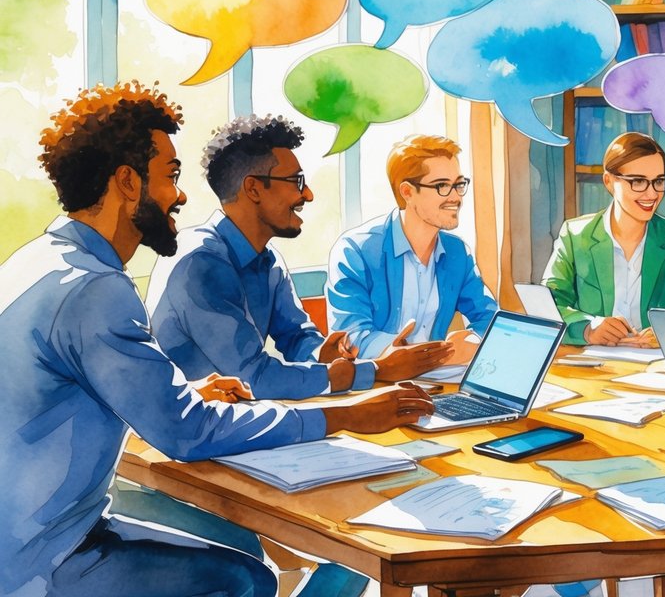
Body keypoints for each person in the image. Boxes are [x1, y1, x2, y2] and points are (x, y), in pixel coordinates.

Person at [0, 81, 434, 597]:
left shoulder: (42, 260)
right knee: (245, 580)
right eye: (171, 176)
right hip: (43, 560)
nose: (181, 195)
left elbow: (90, 391)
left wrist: (190, 393)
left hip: (45, 533)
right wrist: (347, 415)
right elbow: (188, 431)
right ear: (127, 182)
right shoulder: (98, 288)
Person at [147, 115, 456, 401]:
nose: (307, 194)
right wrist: (377, 370)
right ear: (253, 189)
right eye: (296, 181)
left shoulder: (268, 261)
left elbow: (296, 337)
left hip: (234, 416)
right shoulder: (201, 263)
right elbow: (254, 378)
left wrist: (324, 353)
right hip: (185, 431)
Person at [326, 134, 498, 365]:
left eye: (459, 184)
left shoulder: (457, 252)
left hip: (438, 378)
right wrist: (428, 354)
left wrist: (473, 341)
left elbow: (490, 318)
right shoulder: (356, 250)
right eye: (442, 186)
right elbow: (351, 338)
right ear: (407, 192)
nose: (456, 197)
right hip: (378, 381)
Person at [544, 131, 665, 347]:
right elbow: (548, 305)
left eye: (658, 181)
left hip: (654, 360)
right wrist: (588, 328)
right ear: (609, 182)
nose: (652, 194)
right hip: (593, 358)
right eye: (638, 181)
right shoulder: (575, 235)